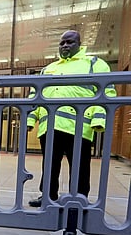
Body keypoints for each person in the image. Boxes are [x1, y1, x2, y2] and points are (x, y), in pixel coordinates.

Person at [27, 30, 116, 207]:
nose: (65, 45)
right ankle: (48, 197)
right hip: (50, 126)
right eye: (62, 43)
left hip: (79, 126)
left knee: (80, 166)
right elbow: (35, 95)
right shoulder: (48, 68)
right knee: (50, 165)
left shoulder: (94, 63)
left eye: (70, 42)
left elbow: (106, 92)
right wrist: (31, 119)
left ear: (79, 44)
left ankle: (79, 198)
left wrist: (98, 120)